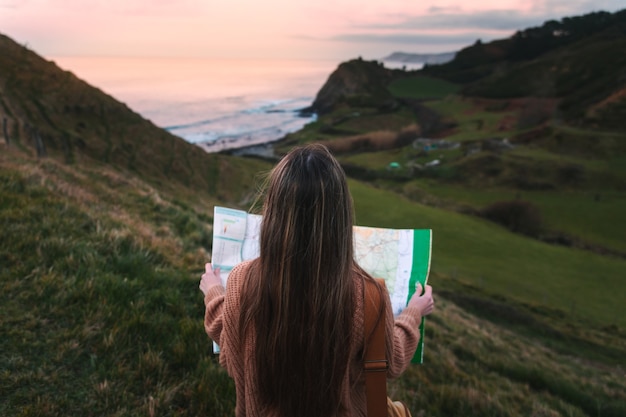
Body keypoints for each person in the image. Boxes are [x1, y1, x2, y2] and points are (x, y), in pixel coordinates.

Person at [200, 143, 434, 417]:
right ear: (341, 216)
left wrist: (214, 293)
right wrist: (412, 315)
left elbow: (231, 346)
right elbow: (389, 362)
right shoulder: (368, 295)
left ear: (274, 212)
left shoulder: (240, 281)